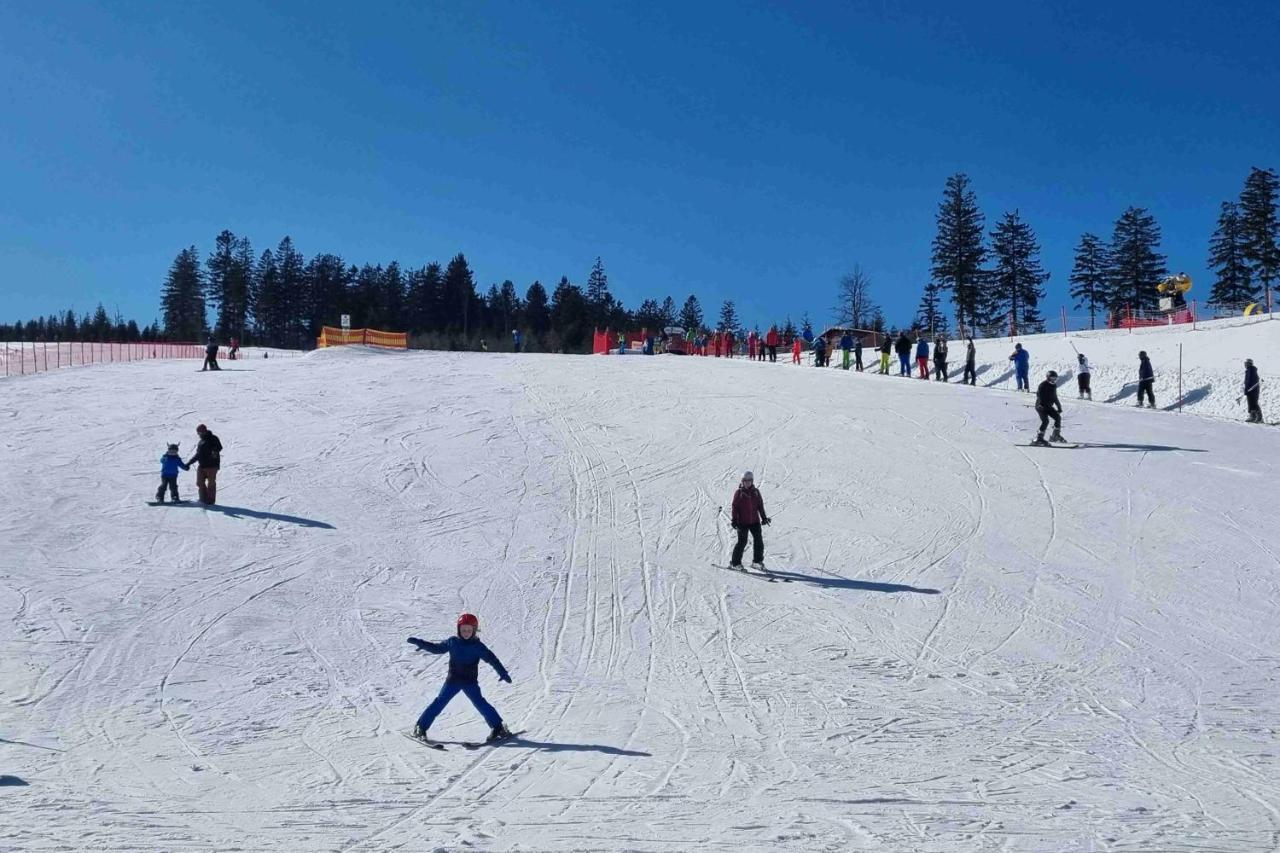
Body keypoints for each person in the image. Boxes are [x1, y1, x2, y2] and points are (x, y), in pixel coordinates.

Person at [407, 613, 513, 744]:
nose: (466, 632)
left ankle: (499, 728)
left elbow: (492, 659)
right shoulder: (453, 642)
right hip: (453, 681)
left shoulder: (478, 647)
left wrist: (502, 672)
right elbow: (437, 649)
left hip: (470, 682)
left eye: (469, 630)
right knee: (439, 703)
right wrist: (421, 643)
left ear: (474, 630)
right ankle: (420, 727)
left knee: (480, 703)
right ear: (459, 629)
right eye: (463, 630)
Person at [729, 471, 770, 570]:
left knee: (759, 541)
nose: (747, 483)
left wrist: (764, 518)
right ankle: (735, 563)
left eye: (749, 481)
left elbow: (760, 505)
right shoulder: (739, 493)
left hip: (755, 521)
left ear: (752, 481)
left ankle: (757, 562)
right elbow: (735, 507)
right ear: (742, 482)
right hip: (742, 522)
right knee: (742, 542)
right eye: (745, 481)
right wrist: (734, 520)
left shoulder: (756, 492)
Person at [187, 424, 223, 505]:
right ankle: (203, 499)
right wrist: (189, 463)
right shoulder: (201, 441)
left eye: (199, 432)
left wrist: (214, 450)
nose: (199, 434)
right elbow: (198, 454)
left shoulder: (213, 438)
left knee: (211, 483)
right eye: (198, 432)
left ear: (204, 431)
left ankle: (210, 501)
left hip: (212, 465)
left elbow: (219, 447)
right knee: (199, 483)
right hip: (202, 465)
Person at [1032, 371, 1066, 446]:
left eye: (1055, 378)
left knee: (1057, 417)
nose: (1053, 380)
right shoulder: (1042, 385)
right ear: (1048, 378)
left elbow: (1054, 397)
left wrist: (1059, 407)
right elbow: (1039, 395)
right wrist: (1040, 404)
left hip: (1048, 406)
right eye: (1052, 378)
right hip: (1040, 407)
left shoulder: (1053, 386)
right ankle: (1038, 438)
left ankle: (1055, 436)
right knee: (1045, 421)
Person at [1244, 358, 1263, 423]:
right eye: (1245, 363)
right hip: (1251, 390)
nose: (1245, 365)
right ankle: (1255, 417)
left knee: (1253, 403)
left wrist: (1248, 389)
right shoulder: (1250, 370)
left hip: (1253, 390)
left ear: (1250, 364)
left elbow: (1251, 381)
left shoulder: (1251, 370)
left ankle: (1256, 417)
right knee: (1252, 403)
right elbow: (1247, 381)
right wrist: (1246, 389)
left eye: (1247, 363)